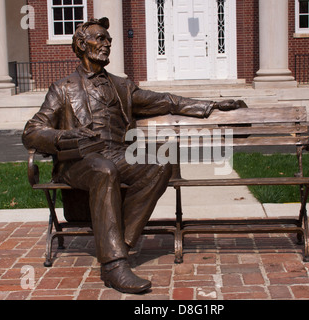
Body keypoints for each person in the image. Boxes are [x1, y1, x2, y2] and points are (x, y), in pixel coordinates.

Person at [22, 17, 247, 294]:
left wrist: (210, 104)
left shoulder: (121, 86)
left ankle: (120, 244)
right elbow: (32, 131)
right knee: (104, 170)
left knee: (160, 164)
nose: (106, 44)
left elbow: (165, 100)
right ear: (81, 44)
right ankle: (114, 266)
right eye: (100, 39)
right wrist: (64, 136)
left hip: (116, 154)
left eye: (109, 40)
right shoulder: (63, 89)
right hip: (78, 161)